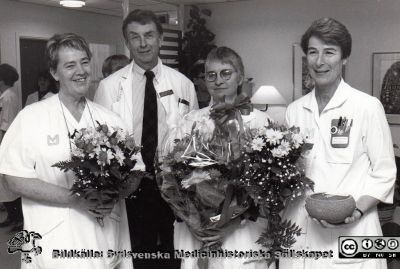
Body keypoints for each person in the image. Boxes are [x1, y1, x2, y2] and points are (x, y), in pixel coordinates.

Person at [0, 33, 133, 269]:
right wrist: (76, 199)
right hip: (53, 240)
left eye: (84, 62)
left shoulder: (111, 120)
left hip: (104, 237)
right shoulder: (31, 117)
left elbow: (136, 171)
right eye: (70, 65)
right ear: (54, 73)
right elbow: (12, 178)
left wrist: (113, 194)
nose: (80, 71)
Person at [283, 18, 396, 269]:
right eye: (313, 52)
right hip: (301, 233)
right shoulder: (294, 111)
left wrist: (355, 211)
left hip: (354, 232)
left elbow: (385, 171)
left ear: (344, 58)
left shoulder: (367, 106)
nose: (319, 61)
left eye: (329, 52)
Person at [94, 9, 198, 269]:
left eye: (149, 35)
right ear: (127, 42)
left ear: (161, 39)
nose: (143, 43)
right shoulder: (109, 87)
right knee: (139, 252)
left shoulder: (183, 84)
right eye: (135, 37)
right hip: (132, 186)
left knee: (176, 252)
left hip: (174, 186)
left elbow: (196, 139)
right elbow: (99, 142)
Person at [175, 46, 274, 269]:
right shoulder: (189, 122)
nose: (218, 80)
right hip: (199, 230)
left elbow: (270, 187)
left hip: (244, 231)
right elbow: (174, 177)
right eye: (211, 75)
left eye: (226, 73)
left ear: (239, 76)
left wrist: (232, 220)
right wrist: (196, 218)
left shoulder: (261, 123)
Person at [0, 63, 23, 232]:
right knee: (4, 185)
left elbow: (5, 125)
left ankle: (18, 219)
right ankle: (12, 217)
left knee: (8, 183)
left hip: (6, 143)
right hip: (6, 141)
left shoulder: (8, 97)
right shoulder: (8, 95)